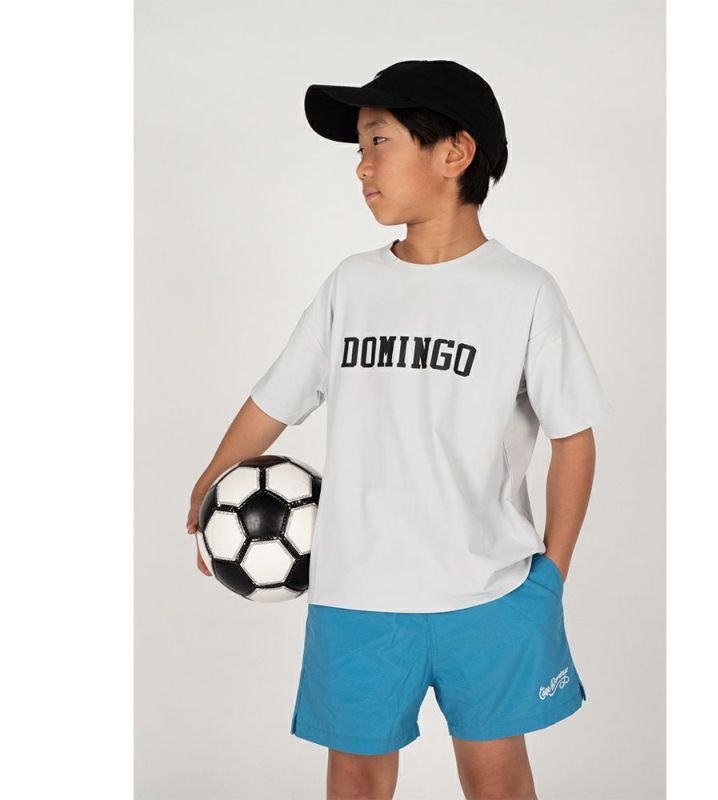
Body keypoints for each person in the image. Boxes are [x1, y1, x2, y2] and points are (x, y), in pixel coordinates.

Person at [186, 59, 612, 800]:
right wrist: (210, 484)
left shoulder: (523, 292)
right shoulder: (351, 286)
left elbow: (573, 435)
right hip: (356, 594)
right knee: (355, 779)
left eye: (378, 141)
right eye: (359, 148)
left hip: (489, 591)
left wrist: (553, 573)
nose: (361, 166)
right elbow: (275, 400)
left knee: (496, 777)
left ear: (455, 153)